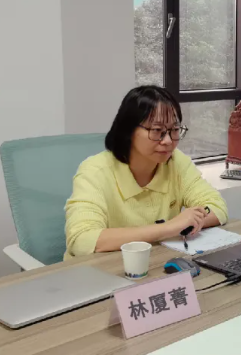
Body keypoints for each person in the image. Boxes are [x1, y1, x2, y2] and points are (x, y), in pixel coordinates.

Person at [64, 85, 228, 258]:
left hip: (155, 263)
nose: (168, 141)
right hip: (100, 269)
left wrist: (191, 220)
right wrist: (169, 228)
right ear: (128, 130)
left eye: (174, 130)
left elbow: (216, 207)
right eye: (157, 131)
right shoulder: (95, 172)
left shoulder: (176, 161)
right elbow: (81, 239)